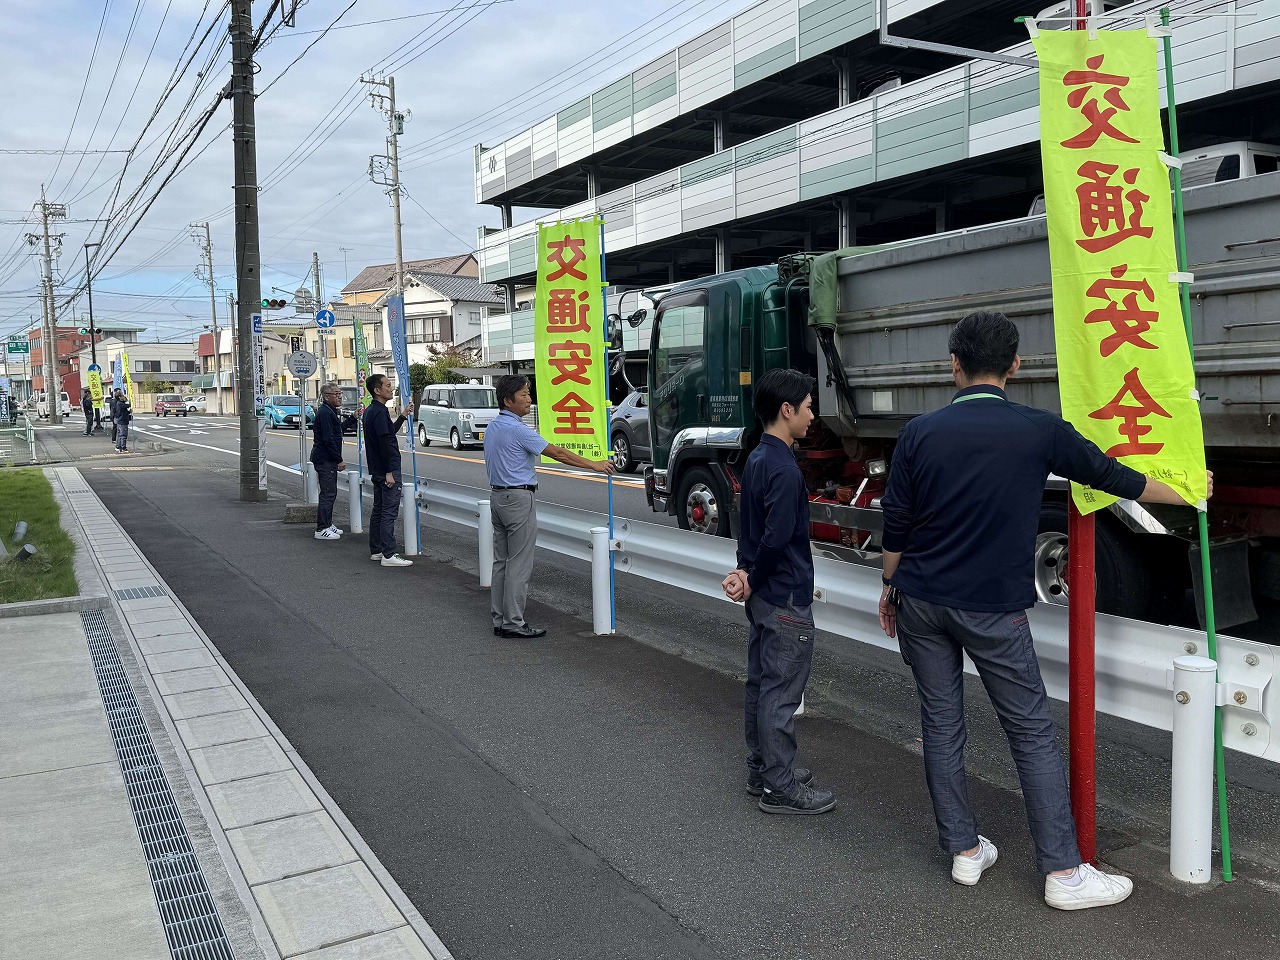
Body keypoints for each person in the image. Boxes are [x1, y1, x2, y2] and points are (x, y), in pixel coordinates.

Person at [878, 311, 1213, 910]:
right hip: (992, 612)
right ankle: (1063, 872)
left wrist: (889, 589)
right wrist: (1191, 488)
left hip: (922, 601)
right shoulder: (1039, 431)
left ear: (953, 364)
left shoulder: (918, 433)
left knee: (941, 725)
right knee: (1030, 732)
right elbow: (1119, 480)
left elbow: (896, 526)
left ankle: (963, 851)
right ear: (1015, 366)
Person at [721, 369, 836, 815]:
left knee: (762, 683)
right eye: (808, 407)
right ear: (786, 410)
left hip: (763, 596)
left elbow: (750, 530)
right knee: (781, 691)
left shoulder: (756, 459)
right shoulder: (786, 469)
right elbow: (776, 538)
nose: (812, 416)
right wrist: (752, 574)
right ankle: (780, 786)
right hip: (785, 593)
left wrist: (745, 572)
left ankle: (764, 768)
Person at [484, 375, 615, 638]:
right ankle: (514, 623)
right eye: (523, 395)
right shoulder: (518, 429)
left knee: (501, 563)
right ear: (508, 401)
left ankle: (500, 619)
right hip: (519, 499)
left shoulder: (493, 427)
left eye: (529, 394)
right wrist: (595, 464)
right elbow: (558, 453)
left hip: (497, 499)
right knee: (519, 565)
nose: (529, 400)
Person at [363, 373, 411, 567]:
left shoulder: (371, 411)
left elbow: (388, 432)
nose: (391, 389)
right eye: (388, 385)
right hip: (386, 469)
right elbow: (385, 442)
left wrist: (403, 416)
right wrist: (390, 471)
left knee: (379, 509)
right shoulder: (380, 411)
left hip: (377, 469)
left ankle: (377, 550)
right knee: (389, 512)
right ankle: (389, 555)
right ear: (377, 390)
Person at [310, 382, 346, 541]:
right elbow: (328, 438)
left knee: (330, 492)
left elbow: (337, 430)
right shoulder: (325, 413)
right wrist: (339, 459)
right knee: (328, 493)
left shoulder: (330, 411)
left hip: (326, 458)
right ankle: (321, 528)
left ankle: (327, 523)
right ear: (326, 396)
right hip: (325, 459)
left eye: (340, 394)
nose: (339, 397)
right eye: (336, 394)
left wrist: (352, 418)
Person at [111, 389, 132, 453]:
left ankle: (119, 446)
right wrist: (129, 402)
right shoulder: (120, 403)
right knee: (123, 435)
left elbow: (124, 411)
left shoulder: (118, 403)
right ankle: (123, 447)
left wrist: (128, 411)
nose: (124, 397)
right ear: (120, 397)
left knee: (119, 435)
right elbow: (128, 405)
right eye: (122, 396)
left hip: (120, 420)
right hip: (122, 421)